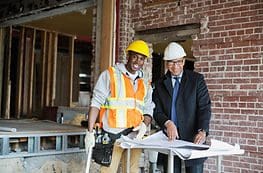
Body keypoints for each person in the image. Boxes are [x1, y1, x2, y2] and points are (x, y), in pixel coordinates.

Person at [85, 40, 154, 173]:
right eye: (134, 56)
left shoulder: (145, 84)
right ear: (128, 55)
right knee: (108, 171)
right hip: (113, 137)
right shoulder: (110, 75)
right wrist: (90, 132)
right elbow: (96, 103)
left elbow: (148, 108)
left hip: (135, 138)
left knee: (132, 171)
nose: (137, 62)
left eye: (141, 59)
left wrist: (144, 125)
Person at [152, 42, 211, 173]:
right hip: (170, 138)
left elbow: (204, 108)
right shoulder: (160, 84)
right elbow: (157, 111)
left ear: (184, 61)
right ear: (166, 63)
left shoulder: (196, 80)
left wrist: (203, 130)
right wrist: (167, 123)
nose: (175, 66)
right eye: (171, 62)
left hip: (193, 138)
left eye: (178, 62)